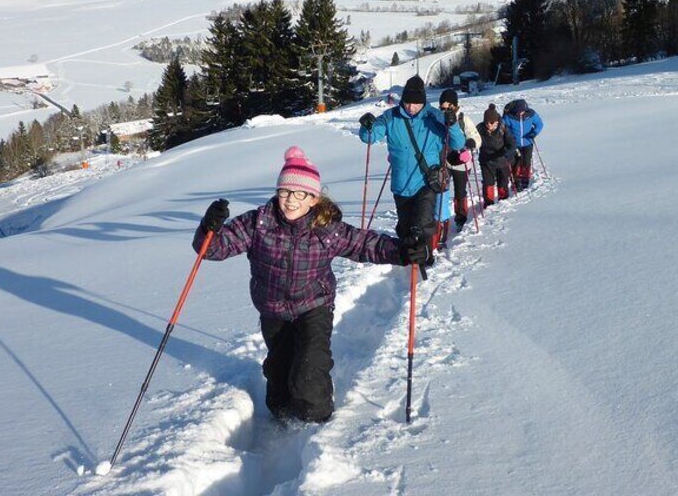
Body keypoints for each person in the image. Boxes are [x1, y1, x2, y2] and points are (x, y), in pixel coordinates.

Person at [193, 147, 430, 424]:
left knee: (310, 367)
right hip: (272, 309)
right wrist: (209, 229)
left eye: (299, 194)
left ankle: (315, 422)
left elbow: (365, 244)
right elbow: (212, 249)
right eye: (285, 192)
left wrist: (402, 252)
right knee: (279, 371)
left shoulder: (326, 228)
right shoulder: (258, 222)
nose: (290, 200)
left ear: (313, 198)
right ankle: (281, 421)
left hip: (314, 305)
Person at [359, 75, 466, 251]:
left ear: (423, 102)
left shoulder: (434, 116)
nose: (411, 107)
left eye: (415, 103)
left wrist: (452, 125)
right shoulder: (390, 117)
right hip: (401, 184)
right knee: (406, 230)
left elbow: (458, 144)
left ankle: (426, 256)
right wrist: (367, 126)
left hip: (426, 182)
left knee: (422, 226)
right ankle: (411, 260)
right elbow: (369, 137)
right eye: (407, 102)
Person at [439, 88, 481, 232]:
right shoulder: (438, 119)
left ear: (455, 105)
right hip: (443, 161)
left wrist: (471, 143)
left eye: (448, 106)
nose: (445, 110)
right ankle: (441, 221)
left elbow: (476, 137)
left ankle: (461, 218)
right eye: (442, 107)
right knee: (441, 191)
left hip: (461, 163)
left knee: (459, 192)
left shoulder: (463, 119)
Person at [477, 104, 516, 205]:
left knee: (502, 182)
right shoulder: (480, 129)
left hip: (501, 159)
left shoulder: (503, 128)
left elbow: (512, 143)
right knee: (488, 183)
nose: (489, 125)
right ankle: (488, 203)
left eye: (491, 122)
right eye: (486, 122)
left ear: (497, 121)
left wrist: (508, 154)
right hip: (486, 160)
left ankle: (503, 202)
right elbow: (473, 139)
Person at [502, 99, 544, 190]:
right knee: (516, 163)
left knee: (526, 162)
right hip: (514, 144)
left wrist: (534, 132)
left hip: (527, 142)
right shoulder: (510, 117)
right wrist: (507, 137)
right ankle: (517, 181)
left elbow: (539, 124)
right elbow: (503, 127)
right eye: (518, 111)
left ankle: (525, 179)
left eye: (522, 111)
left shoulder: (531, 115)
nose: (520, 113)